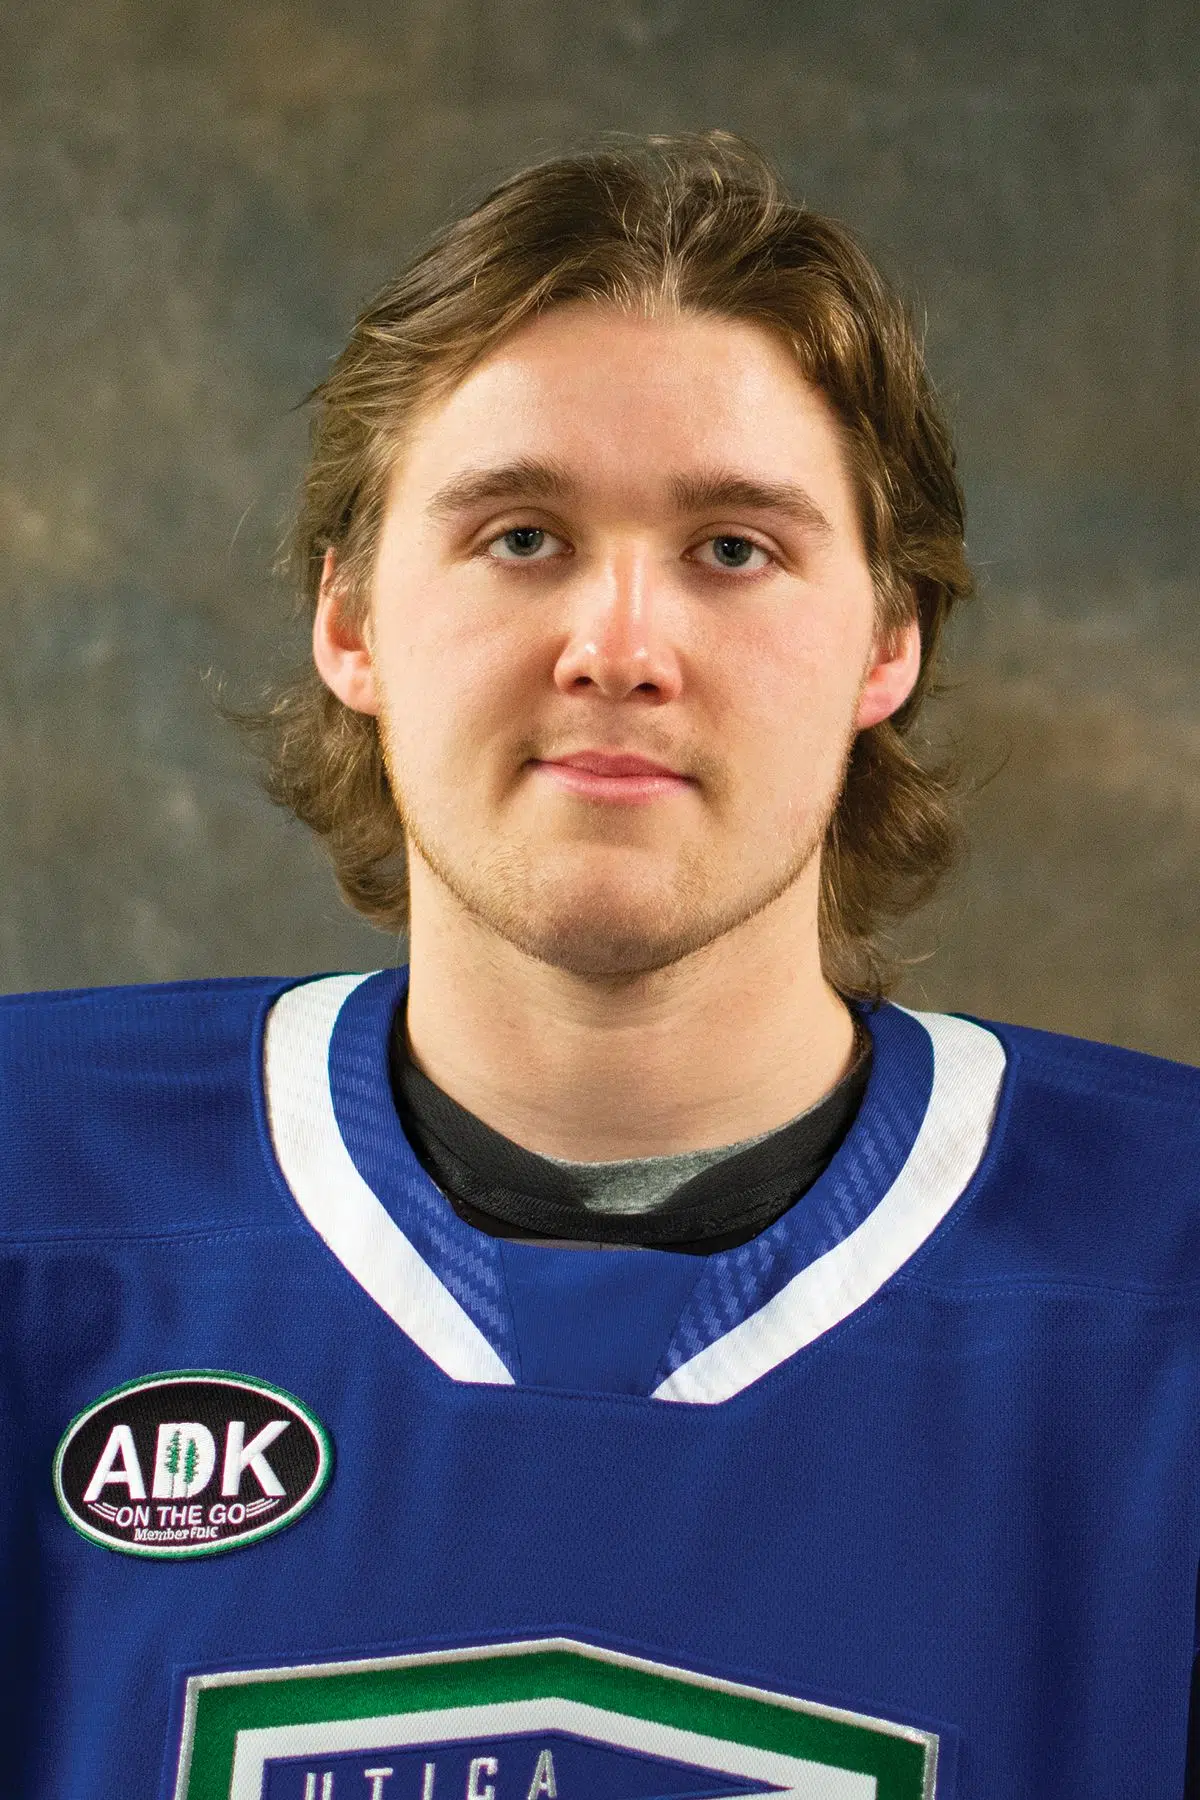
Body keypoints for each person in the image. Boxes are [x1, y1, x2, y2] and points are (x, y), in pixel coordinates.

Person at [2, 132, 1196, 1800]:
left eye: (733, 549)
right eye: (519, 536)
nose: (620, 648)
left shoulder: (1160, 1281)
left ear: (889, 638)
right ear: (347, 619)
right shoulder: (35, 1194)